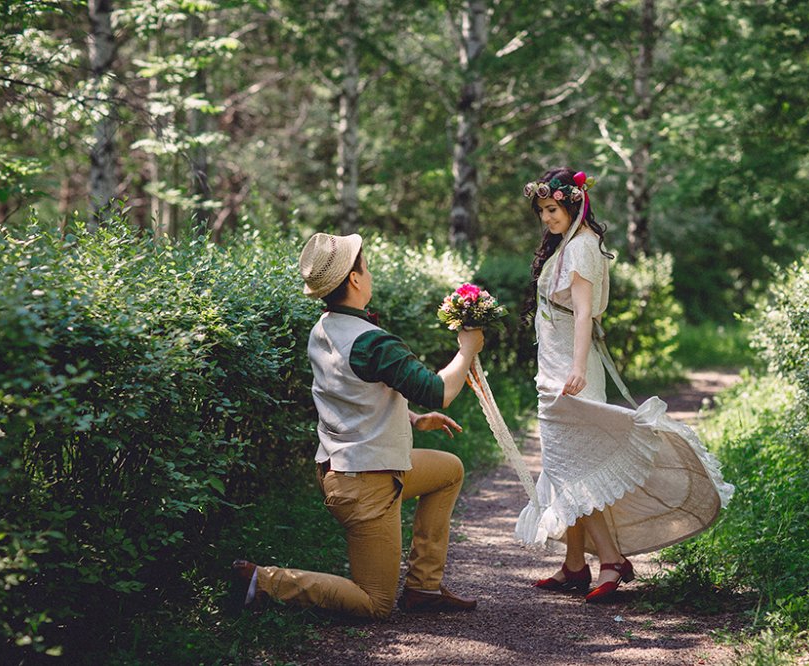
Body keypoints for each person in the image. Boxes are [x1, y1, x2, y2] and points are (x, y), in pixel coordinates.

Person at [232, 232, 485, 619]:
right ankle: (264, 581)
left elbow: (350, 393)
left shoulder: (325, 328)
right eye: (365, 267)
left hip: (350, 470)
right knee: (375, 602)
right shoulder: (372, 343)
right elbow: (439, 391)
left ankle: (423, 587)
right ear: (354, 279)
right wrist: (467, 348)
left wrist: (413, 418)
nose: (369, 274)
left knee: (449, 470)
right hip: (365, 484)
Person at [514, 167, 734, 602]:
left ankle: (611, 559)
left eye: (553, 208)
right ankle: (574, 565)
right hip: (555, 364)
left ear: (574, 204)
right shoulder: (570, 245)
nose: (546, 218)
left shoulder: (579, 248)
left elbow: (582, 314)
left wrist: (576, 368)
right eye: (541, 211)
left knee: (577, 467)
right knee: (564, 467)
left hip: (568, 369)